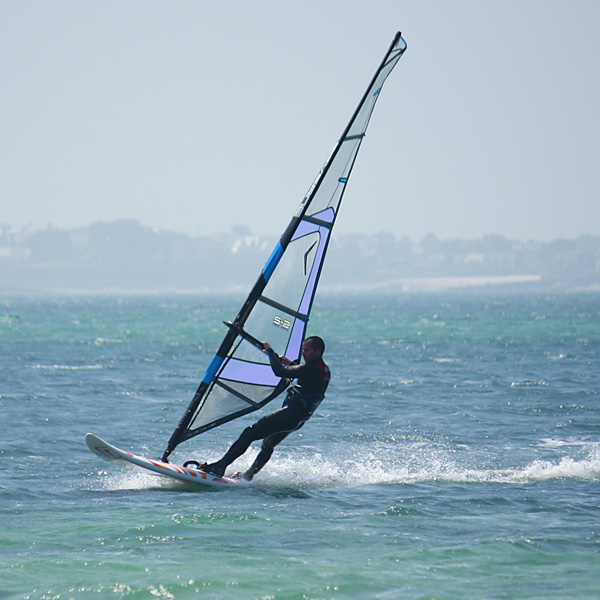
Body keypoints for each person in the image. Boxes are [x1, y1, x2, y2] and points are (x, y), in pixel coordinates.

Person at [199, 335, 330, 480]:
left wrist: (270, 351)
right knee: (268, 445)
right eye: (303, 349)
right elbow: (303, 374)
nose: (303, 353)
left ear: (318, 352)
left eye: (307, 350)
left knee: (249, 433)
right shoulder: (322, 369)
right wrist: (290, 363)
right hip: (298, 420)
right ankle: (248, 476)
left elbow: (280, 372)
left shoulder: (310, 368)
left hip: (290, 414)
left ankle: (220, 467)